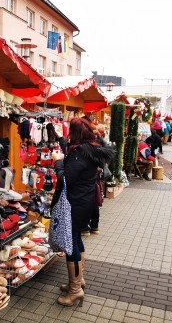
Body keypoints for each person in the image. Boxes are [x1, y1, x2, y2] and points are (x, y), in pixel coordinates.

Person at [51, 117, 114, 307]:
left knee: (71, 246)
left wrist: (57, 163)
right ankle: (77, 281)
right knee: (76, 239)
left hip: (75, 204)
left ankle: (75, 290)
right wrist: (59, 138)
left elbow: (65, 180)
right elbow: (71, 151)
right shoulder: (90, 149)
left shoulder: (79, 155)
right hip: (84, 202)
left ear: (76, 133)